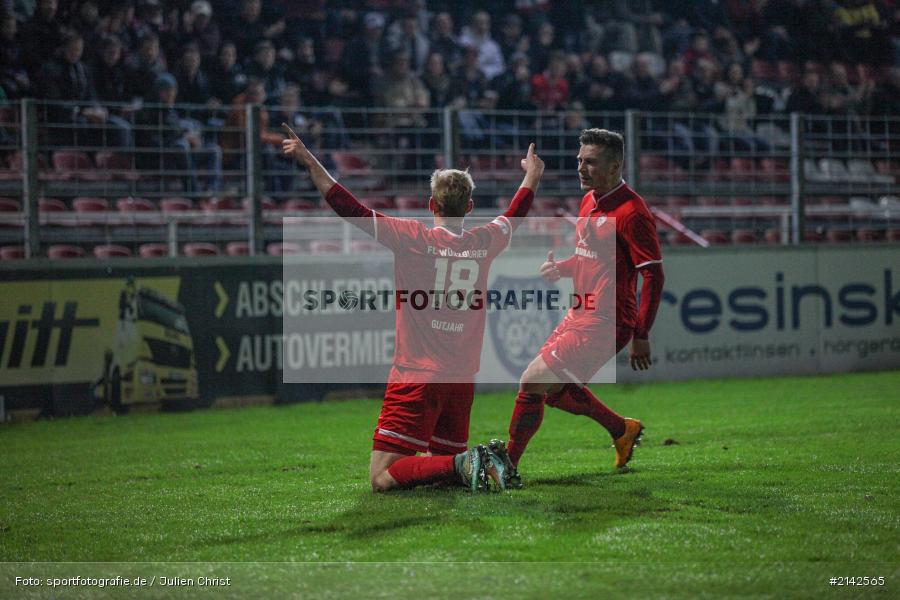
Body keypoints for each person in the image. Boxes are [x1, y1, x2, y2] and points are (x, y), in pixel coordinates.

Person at [282, 126, 545, 493]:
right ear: (469, 208)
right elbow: (514, 214)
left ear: (431, 205)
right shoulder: (484, 241)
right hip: (461, 379)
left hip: (417, 374)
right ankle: (467, 462)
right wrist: (532, 175)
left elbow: (350, 208)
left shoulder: (411, 237)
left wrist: (310, 161)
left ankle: (468, 459)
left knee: (382, 476)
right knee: (442, 476)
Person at [499, 128, 665, 487]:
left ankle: (506, 467)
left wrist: (641, 333)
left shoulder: (632, 212)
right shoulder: (589, 201)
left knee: (532, 381)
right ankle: (621, 429)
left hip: (607, 321)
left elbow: (653, 275)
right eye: (579, 160)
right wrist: (561, 268)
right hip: (580, 312)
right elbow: (591, 257)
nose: (581, 168)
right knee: (552, 390)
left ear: (615, 166)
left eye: (590, 162)